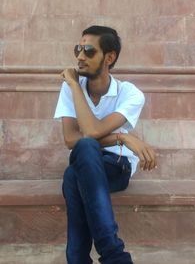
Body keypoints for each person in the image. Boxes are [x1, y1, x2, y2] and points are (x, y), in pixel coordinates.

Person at [54, 25, 156, 264]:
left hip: (117, 166)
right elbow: (71, 139)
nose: (79, 56)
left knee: (74, 171)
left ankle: (95, 257)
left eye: (88, 50)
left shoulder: (130, 93)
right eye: (78, 49)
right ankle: (113, 255)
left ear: (109, 57)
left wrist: (74, 86)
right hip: (89, 159)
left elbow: (89, 132)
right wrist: (123, 137)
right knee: (82, 156)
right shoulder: (71, 87)